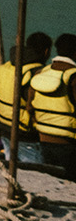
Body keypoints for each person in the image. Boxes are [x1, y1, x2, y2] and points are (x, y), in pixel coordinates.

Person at [25, 33, 76, 169]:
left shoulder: (41, 73)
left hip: (43, 139)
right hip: (69, 143)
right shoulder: (73, 77)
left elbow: (29, 108)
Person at [0, 32, 51, 150]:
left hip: (4, 129)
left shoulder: (6, 67)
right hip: (26, 135)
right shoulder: (36, 73)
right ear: (46, 52)